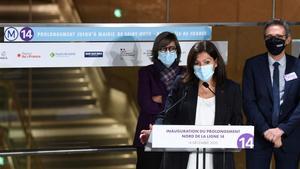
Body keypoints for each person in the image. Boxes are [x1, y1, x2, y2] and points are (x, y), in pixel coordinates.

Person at [140, 40, 243, 169]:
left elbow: (237, 123)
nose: (202, 67)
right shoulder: (182, 85)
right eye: (197, 63)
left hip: (217, 160)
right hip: (182, 159)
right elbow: (166, 115)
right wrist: (156, 131)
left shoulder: (231, 89)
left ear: (215, 63)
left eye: (207, 62)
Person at [243, 19, 300, 169]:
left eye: (278, 37)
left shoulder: (298, 66)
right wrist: (266, 130)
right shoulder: (252, 65)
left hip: (290, 135)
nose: (273, 40)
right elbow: (249, 102)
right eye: (269, 37)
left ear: (287, 39)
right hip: (259, 134)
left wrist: (282, 130)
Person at [133, 31, 184, 169]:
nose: (168, 52)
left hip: (176, 135)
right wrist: (173, 104)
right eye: (163, 48)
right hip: (149, 134)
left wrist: (161, 99)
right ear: (157, 51)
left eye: (172, 48)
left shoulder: (185, 74)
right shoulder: (146, 73)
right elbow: (146, 104)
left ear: (177, 51)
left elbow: (186, 105)